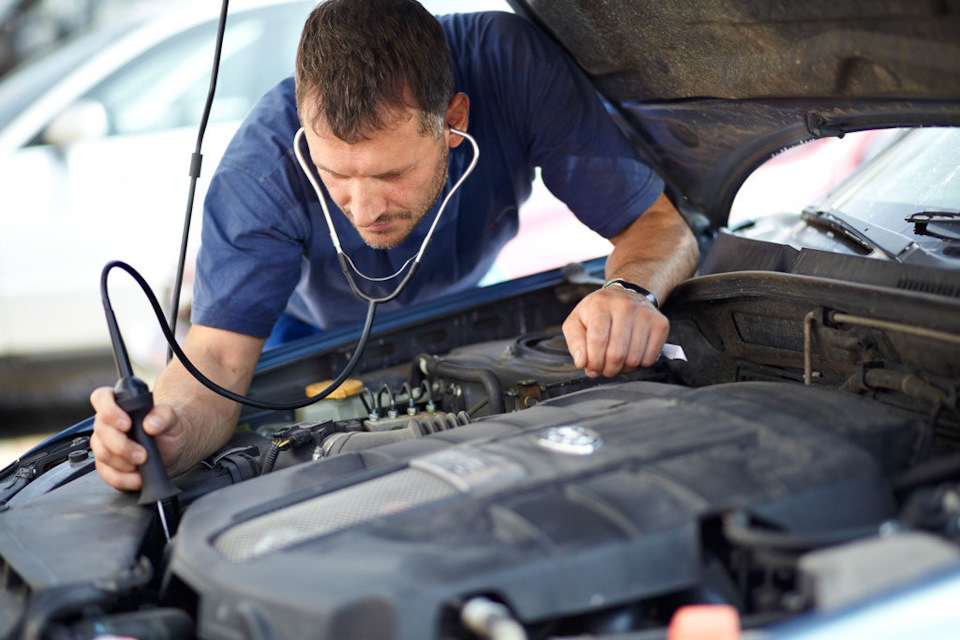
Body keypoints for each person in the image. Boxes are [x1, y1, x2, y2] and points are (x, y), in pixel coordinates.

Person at [90, 0, 699, 491]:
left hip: (460, 304)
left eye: (389, 174)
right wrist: (165, 432)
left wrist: (627, 290)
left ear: (454, 119)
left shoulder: (513, 69)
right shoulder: (261, 170)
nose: (364, 207)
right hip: (302, 332)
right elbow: (218, 360)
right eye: (336, 175)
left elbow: (656, 225)